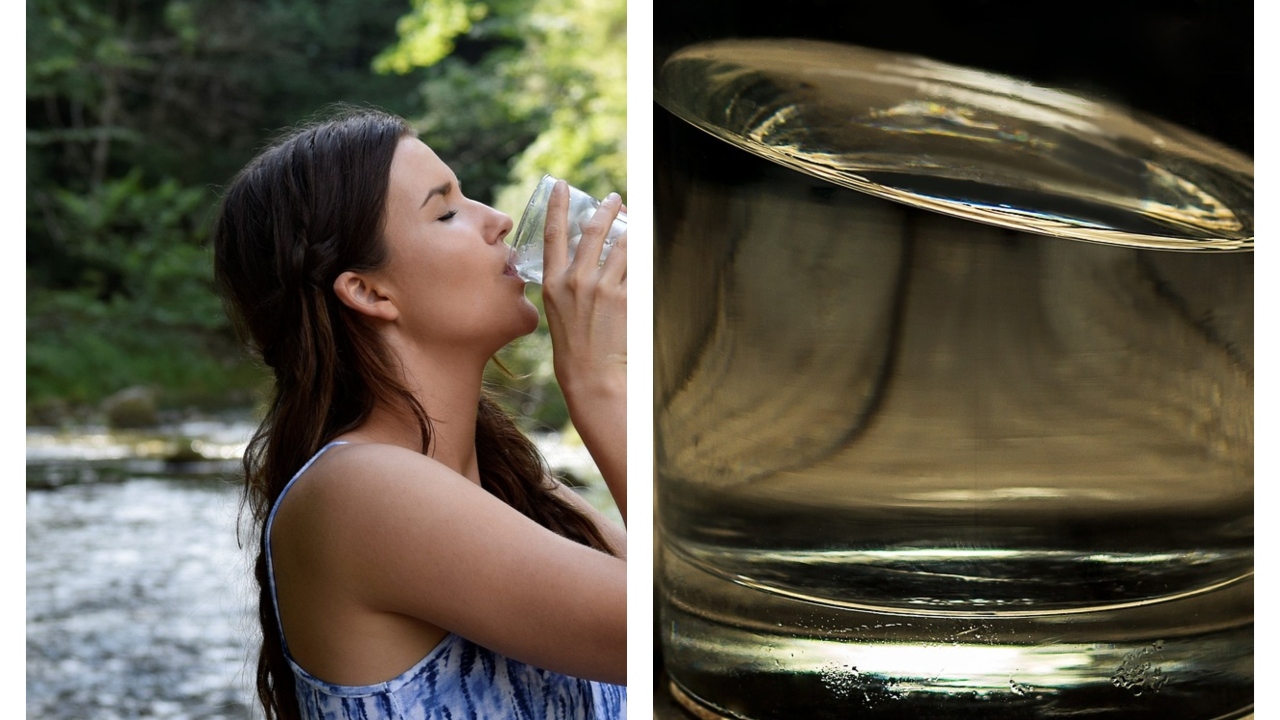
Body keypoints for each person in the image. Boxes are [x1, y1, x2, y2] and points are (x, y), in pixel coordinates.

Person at [211, 107, 627, 720]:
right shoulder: (359, 490)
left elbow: (734, 604)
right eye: (448, 210)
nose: (500, 222)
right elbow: (679, 632)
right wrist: (599, 387)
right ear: (369, 292)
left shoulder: (520, 490)